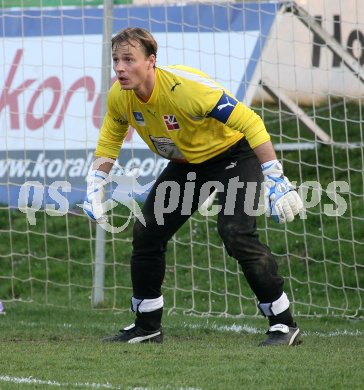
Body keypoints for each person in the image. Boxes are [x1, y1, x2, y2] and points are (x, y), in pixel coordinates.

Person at [83, 27, 304, 346]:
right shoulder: (120, 96)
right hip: (190, 165)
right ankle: (147, 327)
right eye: (116, 59)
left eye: (128, 59)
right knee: (148, 231)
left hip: (235, 155)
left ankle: (284, 324)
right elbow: (109, 140)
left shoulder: (185, 90)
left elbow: (251, 122)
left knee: (235, 232)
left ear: (151, 62)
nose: (119, 67)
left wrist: (275, 175)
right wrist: (95, 183)